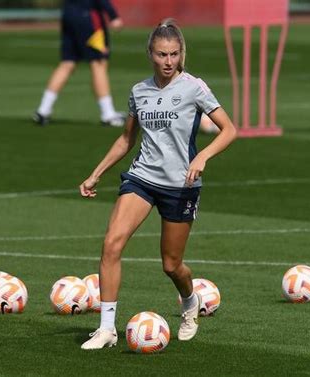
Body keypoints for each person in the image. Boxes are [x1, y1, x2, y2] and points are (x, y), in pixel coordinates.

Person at [78, 18, 237, 350]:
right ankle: (107, 328)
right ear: (150, 53)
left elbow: (229, 129)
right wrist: (97, 173)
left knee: (171, 265)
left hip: (181, 186)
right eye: (162, 54)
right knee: (111, 245)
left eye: (174, 55)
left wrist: (202, 157)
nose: (168, 62)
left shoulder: (194, 87)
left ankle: (190, 301)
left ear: (181, 54)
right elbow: (126, 140)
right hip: (142, 178)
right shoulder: (139, 91)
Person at [33, 0, 125, 127]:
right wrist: (113, 15)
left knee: (67, 63)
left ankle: (43, 110)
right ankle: (108, 114)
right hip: (88, 16)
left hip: (68, 14)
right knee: (98, 63)